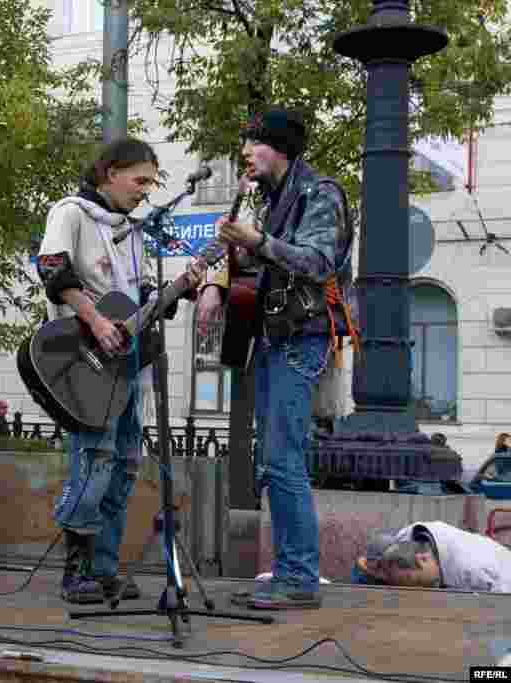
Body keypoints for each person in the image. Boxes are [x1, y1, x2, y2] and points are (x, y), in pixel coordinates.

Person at [198, 107, 356, 609]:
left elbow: (318, 260)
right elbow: (246, 260)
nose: (245, 152)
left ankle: (300, 579)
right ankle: (289, 573)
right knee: (275, 458)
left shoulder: (320, 192)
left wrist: (259, 242)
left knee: (284, 459)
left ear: (281, 148)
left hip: (302, 335)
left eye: (254, 143)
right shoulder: (263, 198)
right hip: (270, 334)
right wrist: (212, 281)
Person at [35, 138, 205, 604]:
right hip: (89, 362)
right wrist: (93, 319)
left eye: (152, 183)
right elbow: (51, 269)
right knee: (95, 459)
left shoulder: (132, 231)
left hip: (130, 366)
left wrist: (180, 289)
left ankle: (106, 568)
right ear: (110, 172)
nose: (145, 191)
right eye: (140, 180)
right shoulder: (71, 213)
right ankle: (77, 571)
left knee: (126, 465)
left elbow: (138, 297)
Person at [353, 522, 511, 593]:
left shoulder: (475, 571)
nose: (411, 588)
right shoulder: (406, 538)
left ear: (423, 559)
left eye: (413, 582)